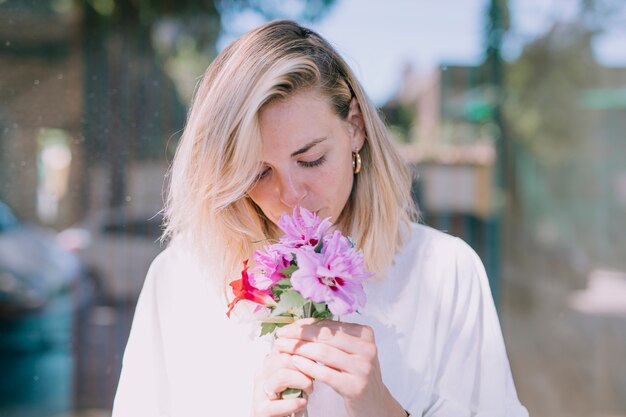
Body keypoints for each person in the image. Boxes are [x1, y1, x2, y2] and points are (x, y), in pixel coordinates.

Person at [112, 20, 528, 417]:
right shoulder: (181, 279)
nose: (291, 195)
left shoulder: (445, 271)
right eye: (257, 173)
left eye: (310, 160)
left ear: (355, 129)